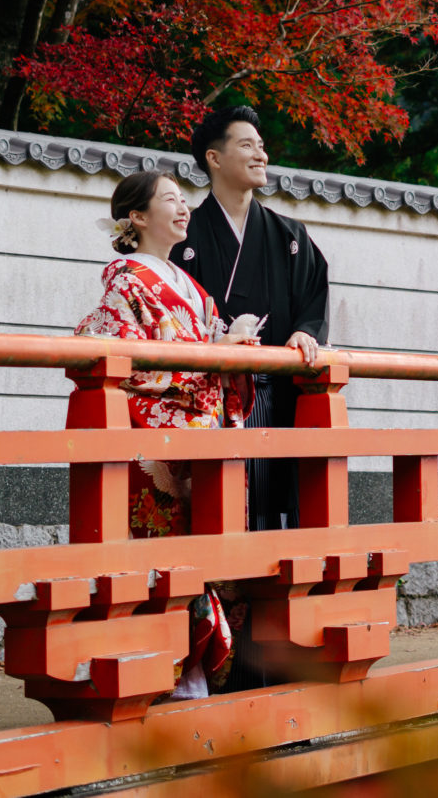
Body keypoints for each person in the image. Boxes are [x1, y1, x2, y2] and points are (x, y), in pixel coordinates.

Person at [75, 170, 259, 699]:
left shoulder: (191, 285)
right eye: (170, 200)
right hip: (160, 440)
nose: (184, 208)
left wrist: (235, 346)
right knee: (167, 559)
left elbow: (205, 354)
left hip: (202, 433)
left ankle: (192, 671)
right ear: (136, 217)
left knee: (207, 554)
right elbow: (126, 361)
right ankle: (165, 675)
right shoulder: (127, 280)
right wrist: (215, 355)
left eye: (184, 200)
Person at [178, 106, 330, 535]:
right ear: (214, 158)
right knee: (221, 504)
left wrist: (305, 331)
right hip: (212, 394)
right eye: (247, 145)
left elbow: (313, 296)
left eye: (261, 146)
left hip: (279, 389)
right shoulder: (185, 236)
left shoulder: (289, 235)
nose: (261, 155)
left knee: (279, 501)